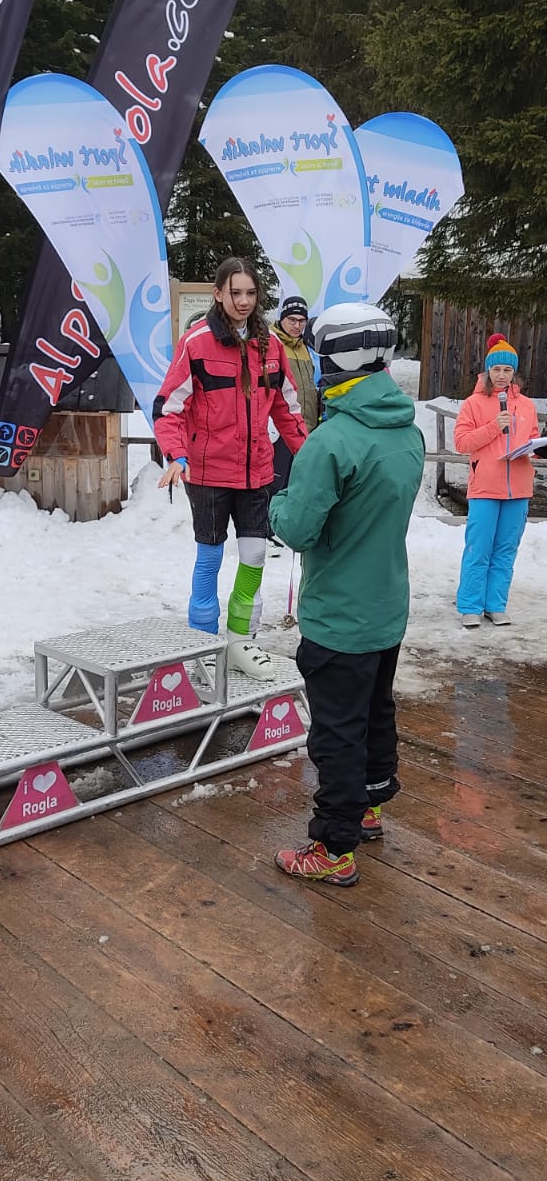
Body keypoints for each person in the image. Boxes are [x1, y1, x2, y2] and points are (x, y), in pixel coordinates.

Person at [269, 302, 425, 886]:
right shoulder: (404, 431)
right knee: (375, 712)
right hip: (386, 609)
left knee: (335, 730)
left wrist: (280, 500)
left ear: (333, 359)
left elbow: (299, 528)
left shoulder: (332, 441)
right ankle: (371, 804)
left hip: (338, 617)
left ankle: (334, 845)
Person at [153, 257, 307, 679]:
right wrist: (176, 455)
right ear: (218, 293)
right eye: (234, 292)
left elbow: (287, 409)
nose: (243, 301)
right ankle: (202, 646)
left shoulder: (270, 346)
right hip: (206, 472)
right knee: (210, 557)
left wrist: (308, 457)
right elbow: (168, 408)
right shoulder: (196, 342)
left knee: (255, 555)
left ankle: (241, 641)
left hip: (256, 470)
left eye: (250, 293)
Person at [454, 335, 540, 628]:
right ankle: (470, 606)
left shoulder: (526, 405)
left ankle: (495, 604)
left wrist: (538, 448)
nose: (502, 375)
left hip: (518, 488)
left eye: (507, 370)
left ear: (514, 372)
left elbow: (530, 441)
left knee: (506, 549)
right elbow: (462, 442)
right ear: (487, 372)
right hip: (485, 487)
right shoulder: (473, 404)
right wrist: (494, 427)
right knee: (479, 548)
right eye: (496, 370)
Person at [271, 296, 319, 493]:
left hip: (306, 428)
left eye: (301, 321)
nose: (297, 325)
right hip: (281, 429)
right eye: (292, 320)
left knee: (297, 484)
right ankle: (268, 523)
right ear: (281, 318)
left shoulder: (305, 348)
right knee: (276, 486)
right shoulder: (272, 343)